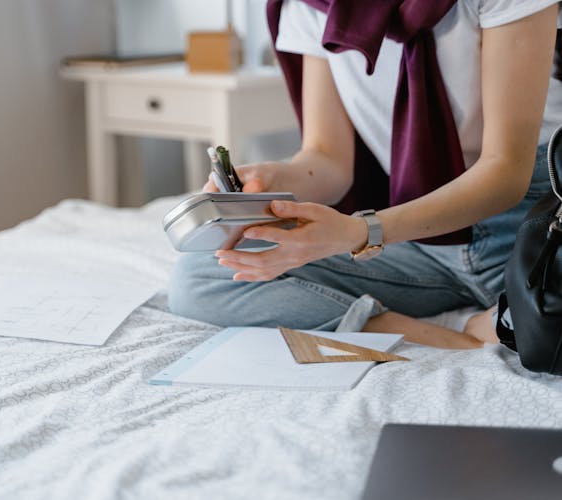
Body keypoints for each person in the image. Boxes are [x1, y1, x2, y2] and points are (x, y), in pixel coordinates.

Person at [168, 0, 562, 349]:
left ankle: (503, 317)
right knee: (201, 277)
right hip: (416, 235)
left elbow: (505, 171)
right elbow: (328, 161)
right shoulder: (312, 6)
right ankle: (423, 331)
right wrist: (275, 178)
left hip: (532, 227)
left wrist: (362, 231)